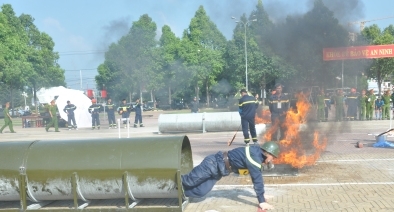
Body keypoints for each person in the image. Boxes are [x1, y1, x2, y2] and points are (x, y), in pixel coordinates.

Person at [181, 141, 279, 211]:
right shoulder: (254, 159)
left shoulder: (257, 152)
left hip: (219, 171)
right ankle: (169, 184)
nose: (272, 160)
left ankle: (178, 194)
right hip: (212, 164)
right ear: (267, 153)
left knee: (200, 192)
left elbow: (254, 172)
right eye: (272, 157)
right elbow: (257, 180)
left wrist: (262, 194)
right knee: (189, 181)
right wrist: (261, 201)